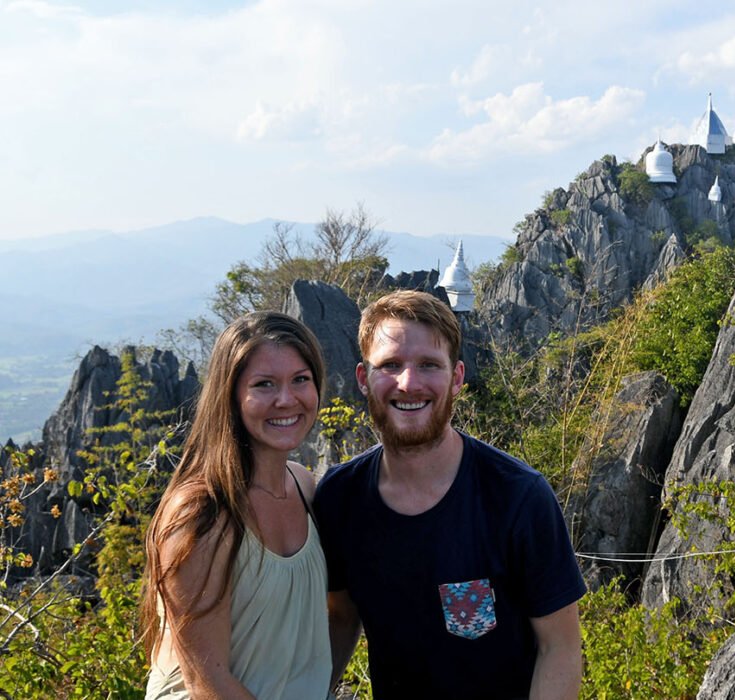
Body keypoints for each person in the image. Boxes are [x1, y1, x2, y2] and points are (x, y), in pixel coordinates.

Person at [315, 290, 586, 699]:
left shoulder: (517, 497)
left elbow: (560, 647)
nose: (409, 383)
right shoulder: (339, 498)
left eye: (429, 365)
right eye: (390, 365)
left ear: (457, 377)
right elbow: (341, 617)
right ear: (362, 379)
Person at [141, 311, 331, 699]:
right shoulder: (201, 514)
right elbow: (206, 682)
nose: (286, 399)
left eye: (300, 380)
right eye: (264, 384)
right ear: (230, 396)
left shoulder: (304, 486)